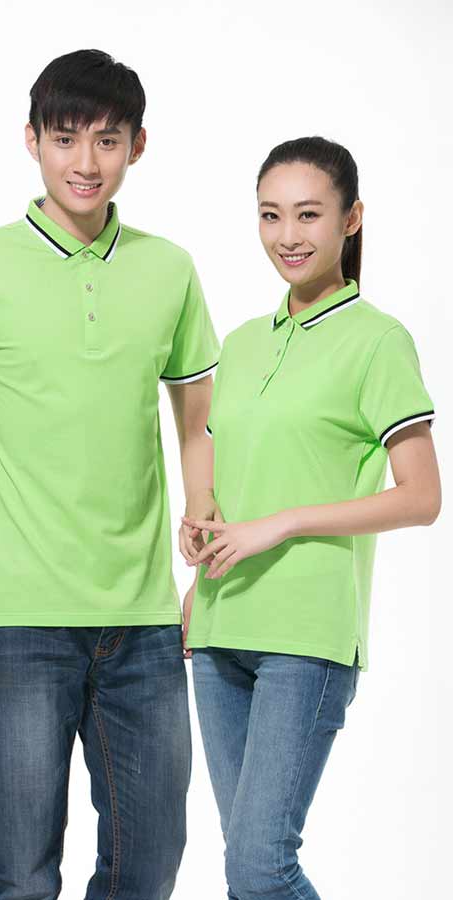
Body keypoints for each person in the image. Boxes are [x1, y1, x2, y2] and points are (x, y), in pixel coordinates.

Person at [0, 49, 221, 900]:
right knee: (23, 873)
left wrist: (204, 520)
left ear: (139, 146)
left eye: (108, 140)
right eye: (65, 139)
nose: (85, 162)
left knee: (149, 864)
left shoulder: (169, 268)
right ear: (31, 140)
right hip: (19, 618)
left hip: (141, 619)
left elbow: (198, 415)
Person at [180, 136, 441, 900]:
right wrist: (200, 541)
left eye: (308, 214)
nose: (287, 235)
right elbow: (228, 478)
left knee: (261, 868)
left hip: (306, 636)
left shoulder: (378, 341)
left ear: (350, 219)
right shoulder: (241, 344)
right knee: (245, 866)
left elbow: (422, 497)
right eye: (270, 215)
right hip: (220, 626)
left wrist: (285, 522)